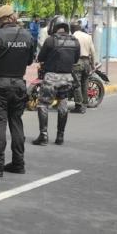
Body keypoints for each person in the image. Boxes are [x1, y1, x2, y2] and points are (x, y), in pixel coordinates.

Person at [0, 5, 34, 177]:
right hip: (18, 84)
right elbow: (30, 61)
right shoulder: (28, 37)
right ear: (12, 17)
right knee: (16, 123)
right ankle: (18, 163)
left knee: (0, 124)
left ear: (1, 20)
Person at [33, 16, 80, 146]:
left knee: (43, 104)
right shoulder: (75, 41)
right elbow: (75, 60)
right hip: (67, 78)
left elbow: (40, 57)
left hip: (51, 77)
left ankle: (43, 135)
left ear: (54, 26)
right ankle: (60, 136)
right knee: (63, 104)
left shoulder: (50, 41)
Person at [71, 23, 97, 114]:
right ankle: (85, 104)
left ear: (72, 29)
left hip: (77, 62)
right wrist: (93, 64)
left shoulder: (73, 36)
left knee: (76, 84)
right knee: (85, 83)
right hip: (86, 62)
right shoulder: (88, 36)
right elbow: (93, 52)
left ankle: (79, 105)